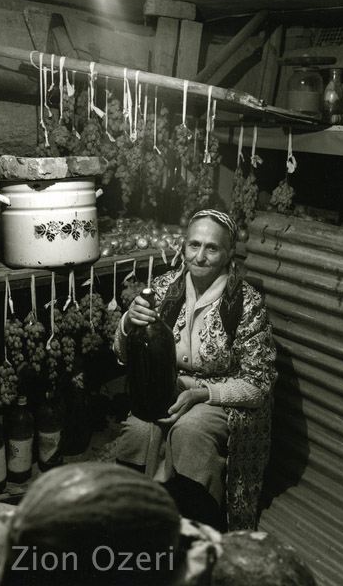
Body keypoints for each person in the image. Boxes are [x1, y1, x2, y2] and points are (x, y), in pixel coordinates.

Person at [113, 209, 277, 531]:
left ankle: (192, 528)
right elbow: (122, 355)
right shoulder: (162, 291)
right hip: (170, 389)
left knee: (190, 432)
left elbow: (260, 384)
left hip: (218, 398)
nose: (199, 257)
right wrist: (127, 324)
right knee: (138, 430)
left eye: (211, 248)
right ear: (183, 246)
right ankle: (136, 518)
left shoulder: (246, 303)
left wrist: (201, 394)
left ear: (229, 254)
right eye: (193, 245)